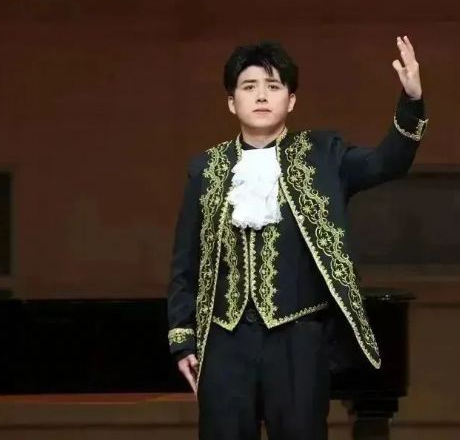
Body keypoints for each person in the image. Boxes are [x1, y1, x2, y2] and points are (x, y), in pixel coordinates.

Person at [166, 37, 427, 440]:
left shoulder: (323, 155)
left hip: (299, 341)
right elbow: (186, 260)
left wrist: (412, 100)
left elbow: (386, 163)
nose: (261, 96)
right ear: (232, 102)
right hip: (224, 342)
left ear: (291, 100)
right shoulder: (207, 168)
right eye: (249, 86)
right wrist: (183, 340)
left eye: (273, 86)